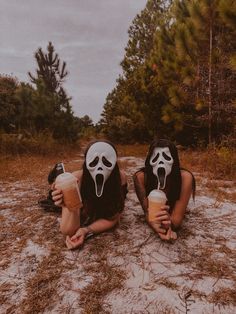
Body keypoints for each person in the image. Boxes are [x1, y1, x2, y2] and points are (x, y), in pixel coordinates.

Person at [52, 140, 127, 249]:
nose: (100, 167)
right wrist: (69, 204)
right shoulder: (77, 179)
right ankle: (55, 174)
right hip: (77, 195)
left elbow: (113, 218)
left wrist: (86, 230)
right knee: (56, 188)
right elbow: (68, 230)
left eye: (106, 161)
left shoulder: (119, 178)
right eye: (94, 161)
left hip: (97, 204)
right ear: (87, 162)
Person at [133, 139, 195, 241]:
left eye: (166, 157)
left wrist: (169, 224)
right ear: (149, 160)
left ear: (174, 160)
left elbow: (176, 220)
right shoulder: (141, 177)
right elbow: (148, 212)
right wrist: (157, 228)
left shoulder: (185, 177)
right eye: (155, 157)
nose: (161, 162)